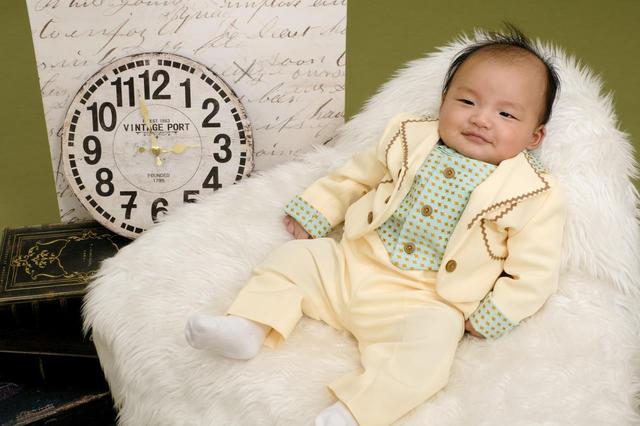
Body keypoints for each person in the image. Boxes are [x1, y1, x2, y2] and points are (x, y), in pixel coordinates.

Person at [185, 26, 567, 426]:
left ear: (534, 136)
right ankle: (248, 325)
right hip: (355, 262)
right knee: (294, 259)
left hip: (426, 299)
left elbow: (534, 272)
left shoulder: (532, 192)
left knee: (430, 351)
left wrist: (491, 314)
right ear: (443, 101)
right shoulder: (407, 138)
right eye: (467, 101)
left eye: (506, 114)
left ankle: (354, 411)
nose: (480, 119)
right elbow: (355, 176)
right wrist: (317, 209)